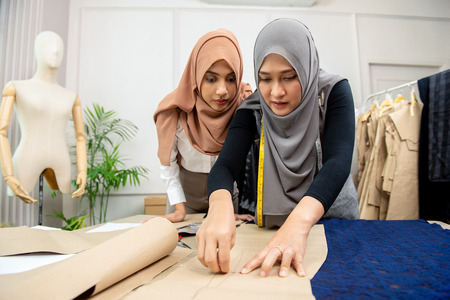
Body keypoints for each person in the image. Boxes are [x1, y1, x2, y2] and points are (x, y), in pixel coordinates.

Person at [196, 18, 359, 277]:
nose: (275, 92)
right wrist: (218, 205)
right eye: (265, 79)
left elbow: (338, 161)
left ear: (306, 68)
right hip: (275, 228)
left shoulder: (333, 91)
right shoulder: (253, 107)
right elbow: (225, 165)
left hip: (333, 220)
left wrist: (299, 223)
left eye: (289, 77)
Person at [153, 29, 254, 223]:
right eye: (211, 79)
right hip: (184, 198)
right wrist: (179, 209)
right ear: (197, 74)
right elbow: (168, 164)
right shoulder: (175, 111)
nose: (222, 90)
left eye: (231, 79)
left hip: (226, 196)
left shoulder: (244, 104)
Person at [0, 31, 87, 203]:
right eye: (48, 46)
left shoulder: (71, 96)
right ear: (37, 51)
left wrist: (83, 172)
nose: (55, 51)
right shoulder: (16, 87)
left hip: (60, 160)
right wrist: (8, 175)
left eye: (59, 48)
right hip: (26, 159)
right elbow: (2, 132)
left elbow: (80, 137)